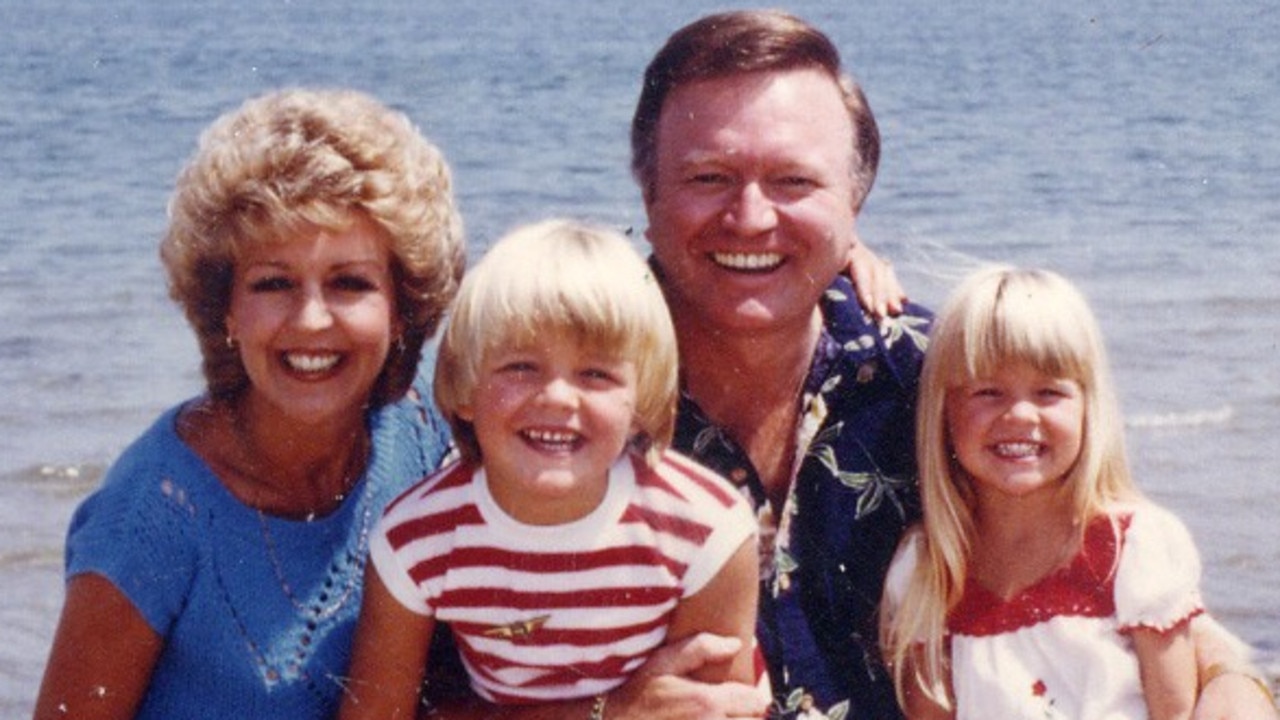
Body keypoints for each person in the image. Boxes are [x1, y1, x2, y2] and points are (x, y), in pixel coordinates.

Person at [419, 10, 1275, 720]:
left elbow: (1120, 581)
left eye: (794, 183)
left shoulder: (939, 378)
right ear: (647, 196)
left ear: (853, 202)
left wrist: (1236, 691)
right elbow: (417, 693)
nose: (750, 218)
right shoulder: (549, 401)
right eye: (710, 177)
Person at [32, 88, 465, 719]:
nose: (312, 320)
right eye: (273, 283)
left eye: (350, 282)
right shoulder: (153, 512)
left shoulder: (426, 440)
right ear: (226, 309)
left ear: (402, 307)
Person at [338, 219, 763, 719]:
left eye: (596, 374)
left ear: (641, 402)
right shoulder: (417, 538)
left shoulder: (704, 527)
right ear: (467, 388)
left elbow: (715, 708)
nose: (558, 398)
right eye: (520, 367)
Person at [881, 266, 1203, 719]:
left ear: (1090, 406)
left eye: (1049, 392)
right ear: (943, 410)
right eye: (988, 391)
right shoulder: (928, 570)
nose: (1020, 415)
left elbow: (1177, 711)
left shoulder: (1133, 548)